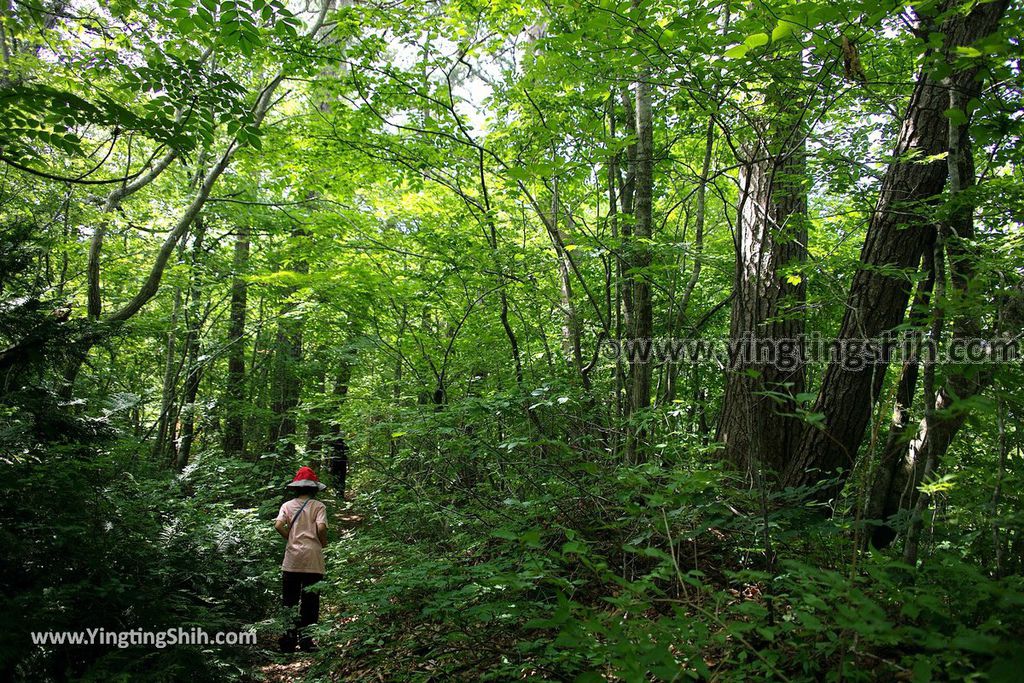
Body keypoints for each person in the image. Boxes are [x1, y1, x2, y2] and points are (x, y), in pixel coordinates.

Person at [274, 466, 329, 652]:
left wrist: (289, 536)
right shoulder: (319, 506)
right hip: (313, 558)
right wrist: (323, 542)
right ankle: (306, 642)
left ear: (296, 487)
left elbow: (278, 525)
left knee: (289, 601)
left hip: (292, 559)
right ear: (313, 488)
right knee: (310, 601)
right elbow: (321, 528)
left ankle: (287, 642)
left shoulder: (287, 506)